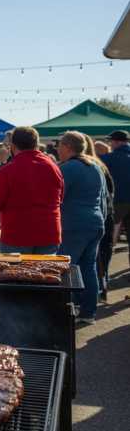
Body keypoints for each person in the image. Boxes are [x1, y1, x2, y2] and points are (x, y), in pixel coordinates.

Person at [0, 127, 63, 253]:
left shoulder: (7, 171)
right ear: (36, 145)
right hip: (49, 233)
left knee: (15, 272)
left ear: (13, 147)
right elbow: (60, 198)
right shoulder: (54, 167)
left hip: (17, 236)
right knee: (47, 272)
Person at [57, 131, 106, 325]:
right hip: (95, 222)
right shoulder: (95, 166)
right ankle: (89, 312)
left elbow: (57, 197)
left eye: (60, 145)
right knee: (88, 267)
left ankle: (63, 312)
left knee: (66, 269)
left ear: (68, 147)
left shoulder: (68, 168)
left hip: (74, 224)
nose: (57, 149)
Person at [84, 135, 114, 302]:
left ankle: (95, 295)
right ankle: (100, 292)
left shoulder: (92, 166)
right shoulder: (100, 166)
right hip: (103, 216)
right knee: (98, 260)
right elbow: (110, 193)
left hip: (98, 216)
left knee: (94, 261)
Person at [103, 130, 130, 261]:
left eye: (111, 141)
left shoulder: (107, 159)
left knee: (109, 238)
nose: (110, 144)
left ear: (117, 142)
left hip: (117, 201)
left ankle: (104, 271)